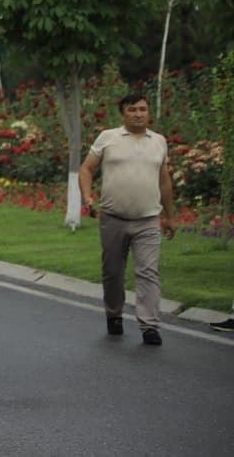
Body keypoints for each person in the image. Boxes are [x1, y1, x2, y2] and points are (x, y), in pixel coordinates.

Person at [78, 93, 176, 346]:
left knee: (148, 272)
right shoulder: (108, 138)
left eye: (143, 109)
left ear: (149, 112)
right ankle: (114, 314)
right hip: (113, 218)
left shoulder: (159, 142)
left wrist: (170, 216)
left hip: (147, 220)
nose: (138, 114)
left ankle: (150, 326)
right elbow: (87, 168)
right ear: (123, 113)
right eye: (132, 109)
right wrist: (87, 197)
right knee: (112, 272)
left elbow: (164, 181)